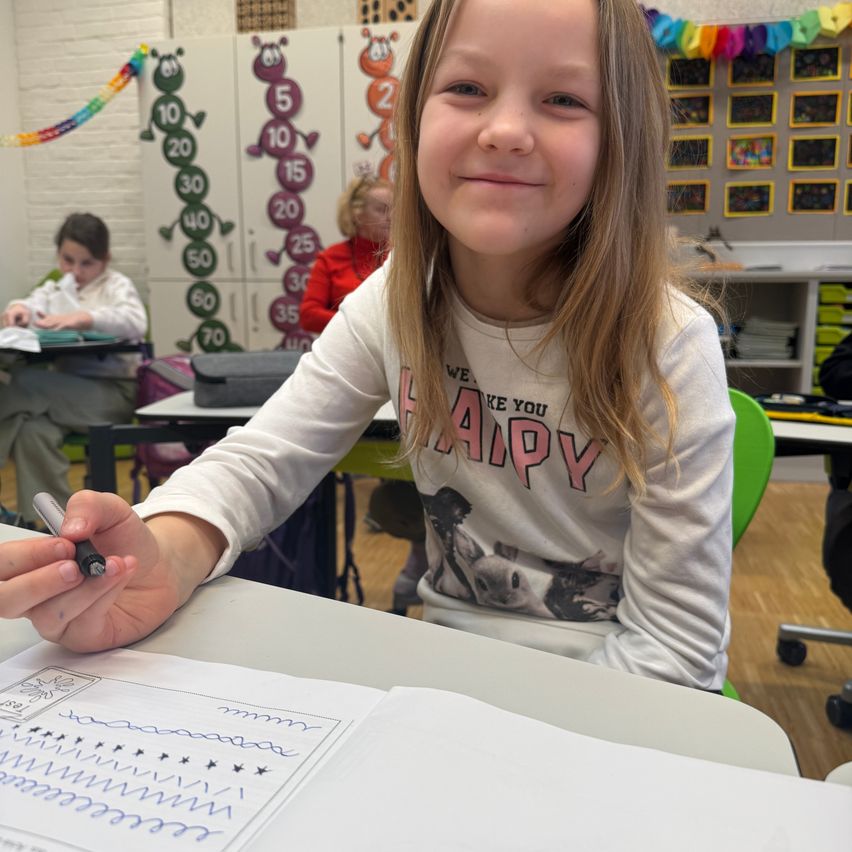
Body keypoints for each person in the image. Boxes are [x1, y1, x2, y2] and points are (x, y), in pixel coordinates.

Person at [0, 0, 734, 691]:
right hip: (446, 665)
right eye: (469, 86)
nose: (506, 129)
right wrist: (162, 554)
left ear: (623, 140)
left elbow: (675, 648)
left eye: (564, 100)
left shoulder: (667, 343)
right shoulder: (394, 303)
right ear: (413, 118)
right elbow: (262, 461)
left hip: (609, 691)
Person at [300, 176, 428, 610]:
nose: (392, 218)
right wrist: (357, 321)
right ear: (356, 214)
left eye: (396, 209)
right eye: (382, 209)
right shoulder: (331, 260)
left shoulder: (405, 259)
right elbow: (308, 314)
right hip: (355, 374)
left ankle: (415, 551)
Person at [0, 212, 147, 525]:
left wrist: (84, 317)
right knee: (31, 430)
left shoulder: (116, 286)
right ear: (58, 255)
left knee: (18, 383)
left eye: (87, 263)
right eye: (68, 260)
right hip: (62, 397)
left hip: (111, 398)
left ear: (105, 259)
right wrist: (17, 309)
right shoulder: (57, 287)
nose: (76, 271)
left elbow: (136, 321)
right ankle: (54, 526)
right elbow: (28, 302)